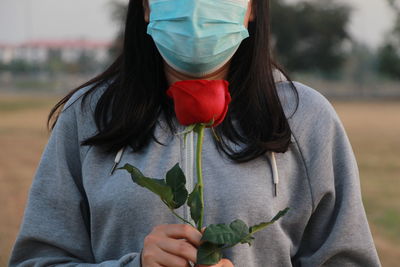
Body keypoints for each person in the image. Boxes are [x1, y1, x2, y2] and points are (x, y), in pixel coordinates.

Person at [9, 0, 381, 266]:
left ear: (251, 8)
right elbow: (37, 260)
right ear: (145, 8)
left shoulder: (304, 117)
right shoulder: (89, 115)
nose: (197, 8)